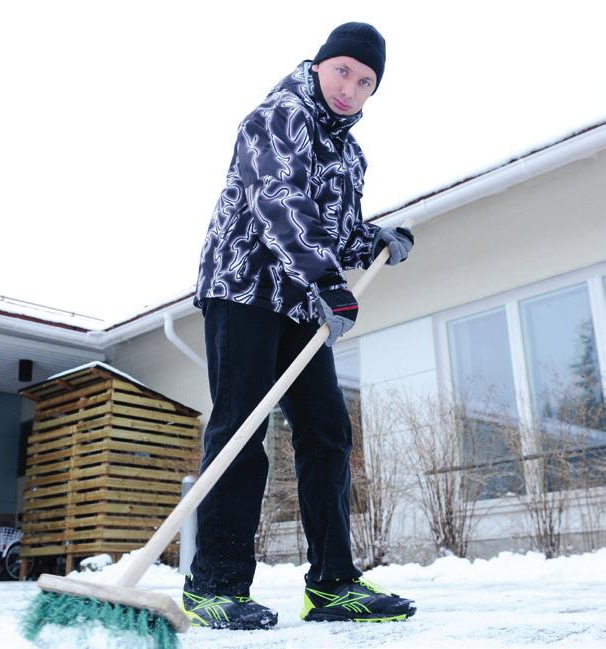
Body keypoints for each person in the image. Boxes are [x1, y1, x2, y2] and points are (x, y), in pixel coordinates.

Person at [183, 22, 416, 630]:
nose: (351, 88)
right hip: (242, 288)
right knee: (242, 427)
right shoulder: (277, 116)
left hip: (299, 300)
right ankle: (215, 584)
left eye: (366, 82)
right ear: (319, 65)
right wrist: (328, 283)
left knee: (327, 432)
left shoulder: (349, 152)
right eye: (343, 71)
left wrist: (374, 240)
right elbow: (279, 200)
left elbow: (331, 229)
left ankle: (334, 582)